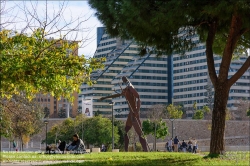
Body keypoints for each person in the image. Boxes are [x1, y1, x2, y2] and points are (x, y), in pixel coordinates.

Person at [100, 76, 148, 152]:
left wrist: (137, 111)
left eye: (125, 81)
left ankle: (146, 150)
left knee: (140, 133)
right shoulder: (126, 90)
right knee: (125, 132)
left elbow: (139, 98)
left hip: (134, 112)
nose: (124, 82)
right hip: (130, 114)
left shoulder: (131, 88)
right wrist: (105, 98)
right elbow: (117, 95)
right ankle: (126, 150)